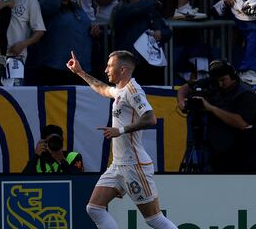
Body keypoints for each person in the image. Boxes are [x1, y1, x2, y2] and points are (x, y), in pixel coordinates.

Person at [66, 50, 178, 229]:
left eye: (110, 66)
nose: (106, 69)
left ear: (123, 69)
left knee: (154, 219)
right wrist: (80, 72)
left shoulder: (133, 91)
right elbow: (102, 89)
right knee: (94, 208)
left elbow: (151, 118)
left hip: (134, 164)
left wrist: (121, 130)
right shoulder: (120, 91)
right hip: (118, 164)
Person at [177, 60, 256, 173]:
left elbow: (242, 123)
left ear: (232, 76)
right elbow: (184, 88)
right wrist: (182, 103)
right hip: (218, 148)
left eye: (223, 80)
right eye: (217, 80)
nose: (220, 84)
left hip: (243, 151)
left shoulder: (246, 94)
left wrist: (211, 108)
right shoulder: (213, 82)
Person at [39, 0, 97, 85]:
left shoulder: (75, 6)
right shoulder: (45, 5)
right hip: (57, 69)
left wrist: (94, 31)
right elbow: (53, 3)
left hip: (81, 69)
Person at [111, 0, 172, 85]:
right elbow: (138, 8)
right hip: (130, 64)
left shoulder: (150, 11)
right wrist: (154, 3)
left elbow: (168, 32)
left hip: (152, 64)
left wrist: (160, 34)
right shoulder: (120, 10)